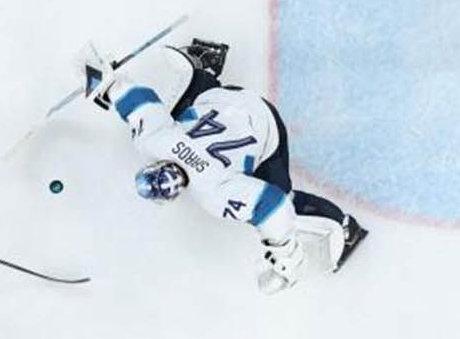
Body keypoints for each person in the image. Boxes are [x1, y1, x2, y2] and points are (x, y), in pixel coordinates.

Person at [85, 38, 367, 293]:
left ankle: (344, 228)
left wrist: (284, 252)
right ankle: (202, 66)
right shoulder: (155, 140)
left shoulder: (215, 192)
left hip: (266, 124)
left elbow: (274, 204)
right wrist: (104, 82)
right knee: (174, 116)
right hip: (228, 98)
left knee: (286, 197)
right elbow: (138, 101)